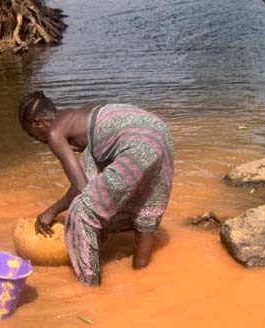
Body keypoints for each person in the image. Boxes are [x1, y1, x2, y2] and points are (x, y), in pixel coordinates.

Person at [18, 91, 174, 286]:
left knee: (83, 212)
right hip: (160, 133)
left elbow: (81, 187)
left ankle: (90, 288)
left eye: (30, 133)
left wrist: (52, 211)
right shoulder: (81, 116)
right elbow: (97, 173)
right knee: (145, 212)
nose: (37, 140)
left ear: (36, 122)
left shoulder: (54, 132)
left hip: (136, 143)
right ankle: (141, 281)